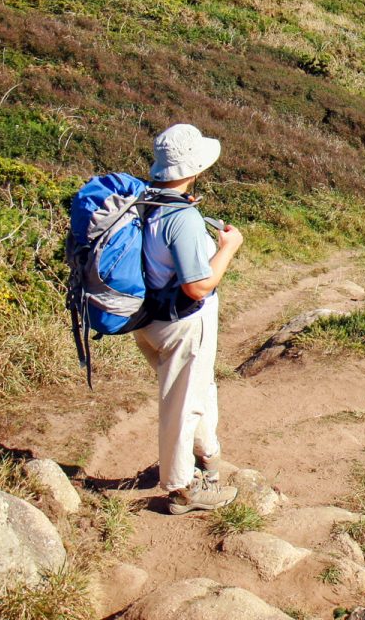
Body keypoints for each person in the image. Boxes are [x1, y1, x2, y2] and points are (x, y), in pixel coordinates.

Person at [135, 122, 245, 514]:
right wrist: (229, 248)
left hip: (150, 321)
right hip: (182, 324)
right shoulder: (181, 217)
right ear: (194, 167)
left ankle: (207, 460)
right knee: (181, 405)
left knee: (195, 393)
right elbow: (197, 286)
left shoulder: (145, 202)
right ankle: (182, 490)